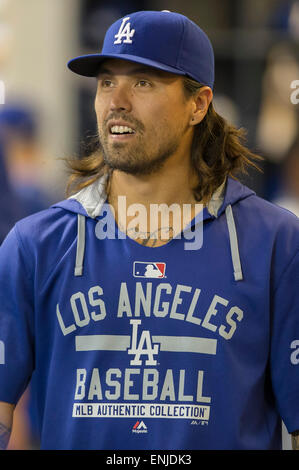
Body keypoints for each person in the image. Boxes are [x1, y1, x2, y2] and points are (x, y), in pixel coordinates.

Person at [0, 10, 298, 451]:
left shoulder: (276, 243)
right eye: (106, 81)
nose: (116, 99)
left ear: (198, 104)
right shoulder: (35, 245)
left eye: (143, 82)